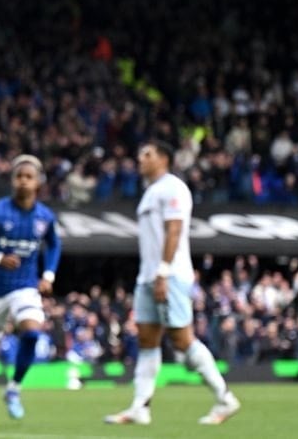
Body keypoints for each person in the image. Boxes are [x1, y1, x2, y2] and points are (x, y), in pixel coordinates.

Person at [105, 139, 241, 426]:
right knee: (147, 339)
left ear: (163, 159)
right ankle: (140, 407)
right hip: (148, 276)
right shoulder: (151, 192)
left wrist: (163, 272)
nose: (140, 158)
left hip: (170, 275)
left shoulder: (173, 188)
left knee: (181, 340)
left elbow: (175, 230)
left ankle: (224, 397)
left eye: (147, 154)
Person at [0, 154, 61, 427]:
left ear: (38, 182)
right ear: (12, 180)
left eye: (29, 177)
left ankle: (14, 389)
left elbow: (54, 245)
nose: (23, 181)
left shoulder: (45, 217)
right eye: (19, 176)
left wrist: (49, 274)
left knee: (32, 333)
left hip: (25, 286)